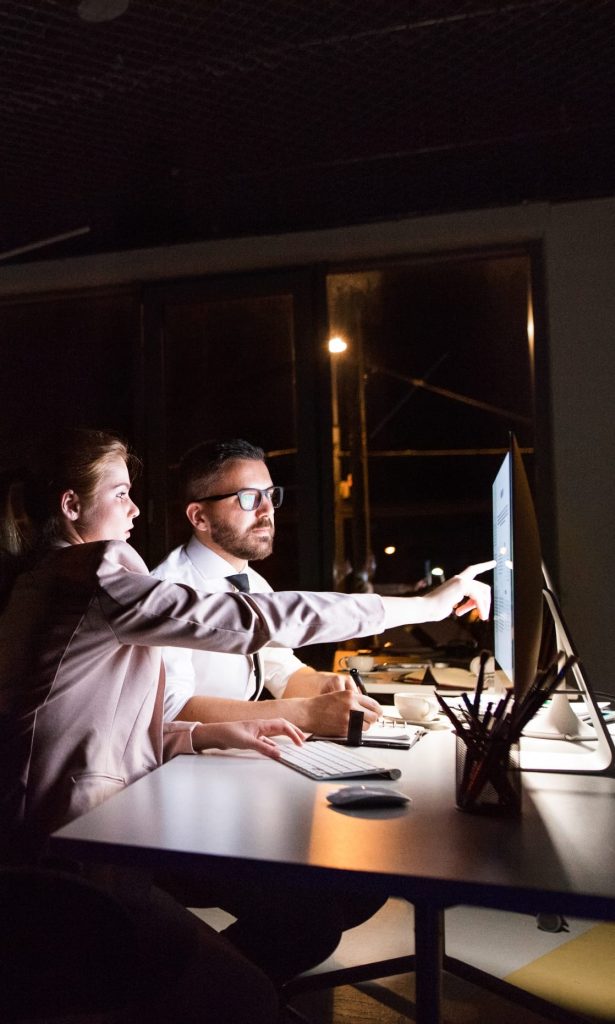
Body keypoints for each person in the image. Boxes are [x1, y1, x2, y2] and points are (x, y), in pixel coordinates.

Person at [0, 428, 492, 1021]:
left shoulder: (49, 579)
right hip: (70, 859)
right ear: (71, 505)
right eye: (121, 492)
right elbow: (255, 620)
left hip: (71, 841)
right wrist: (424, 605)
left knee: (311, 918)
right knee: (253, 985)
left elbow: (91, 722)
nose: (135, 510)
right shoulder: (97, 572)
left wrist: (206, 733)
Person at [152, 438, 386, 736]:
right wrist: (307, 713)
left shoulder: (252, 582)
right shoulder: (165, 591)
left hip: (237, 750)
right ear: (199, 517)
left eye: (269, 495)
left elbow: (279, 668)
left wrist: (325, 685)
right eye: (248, 498)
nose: (266, 510)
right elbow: (172, 710)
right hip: (183, 758)